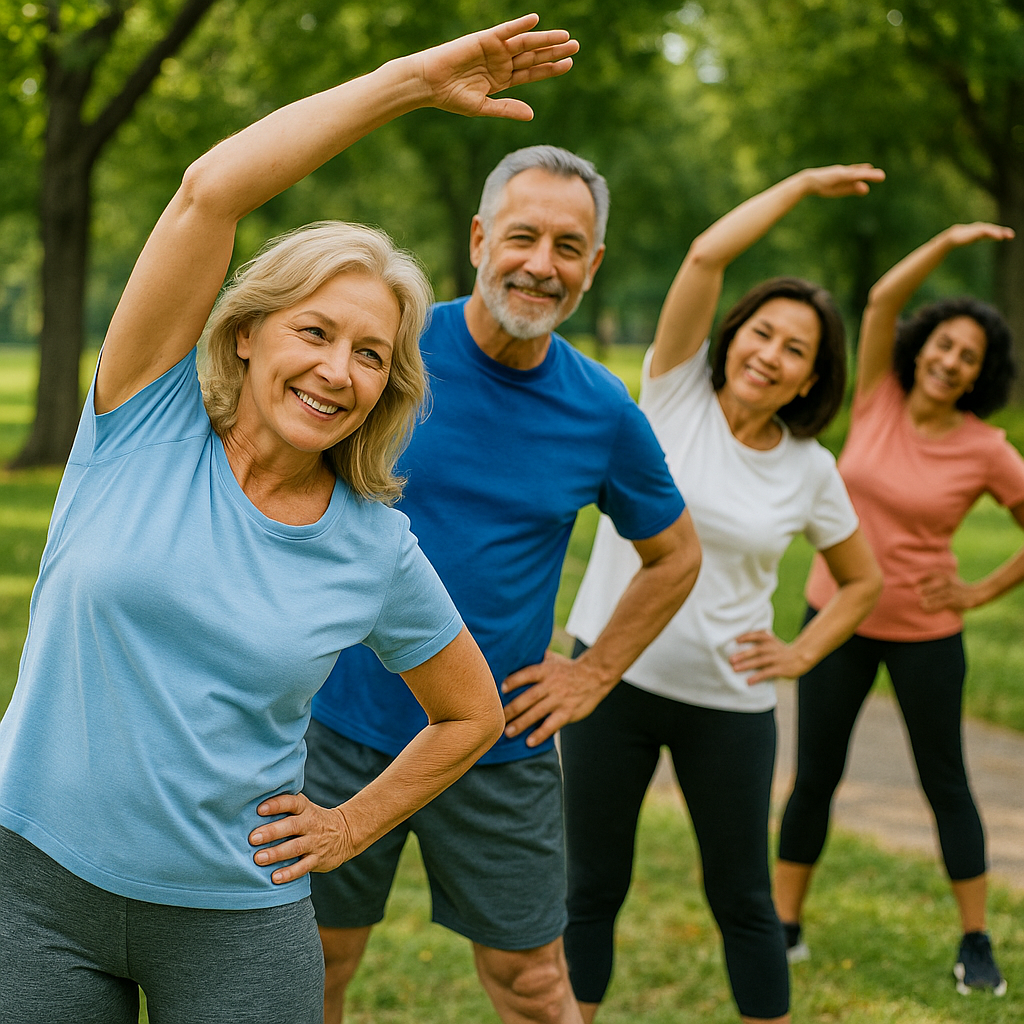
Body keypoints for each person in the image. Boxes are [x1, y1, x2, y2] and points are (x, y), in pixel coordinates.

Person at [0, 17, 584, 1022]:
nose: (335, 369)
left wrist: (351, 824)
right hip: (33, 885)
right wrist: (407, 81)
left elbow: (470, 712)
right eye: (315, 330)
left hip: (233, 914)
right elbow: (210, 190)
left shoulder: (371, 541)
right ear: (246, 332)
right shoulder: (144, 411)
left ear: (389, 384)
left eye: (369, 353)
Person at [304, 145, 703, 1023]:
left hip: (498, 744)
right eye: (523, 236)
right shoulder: (389, 350)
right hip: (341, 722)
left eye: (569, 247)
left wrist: (591, 672)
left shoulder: (601, 409)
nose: (541, 265)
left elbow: (676, 554)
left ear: (592, 268)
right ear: (482, 238)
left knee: (531, 984)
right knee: (315, 965)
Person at [559, 166, 886, 1024]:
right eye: (762, 333)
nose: (769, 356)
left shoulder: (811, 471)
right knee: (590, 887)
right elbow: (706, 254)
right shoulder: (673, 394)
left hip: (728, 705)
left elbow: (862, 583)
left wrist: (803, 651)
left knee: (745, 900)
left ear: (812, 379)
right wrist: (803, 186)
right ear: (735, 333)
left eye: (795, 351)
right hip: (607, 680)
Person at [776, 221, 1024, 997]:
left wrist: (980, 591)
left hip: (925, 633)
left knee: (944, 779)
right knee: (814, 775)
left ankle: (976, 942)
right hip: (832, 617)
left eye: (968, 357)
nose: (950, 362)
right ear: (922, 349)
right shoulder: (879, 392)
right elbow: (884, 296)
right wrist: (947, 241)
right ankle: (785, 926)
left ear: (980, 375)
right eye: (944, 346)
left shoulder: (987, 447)